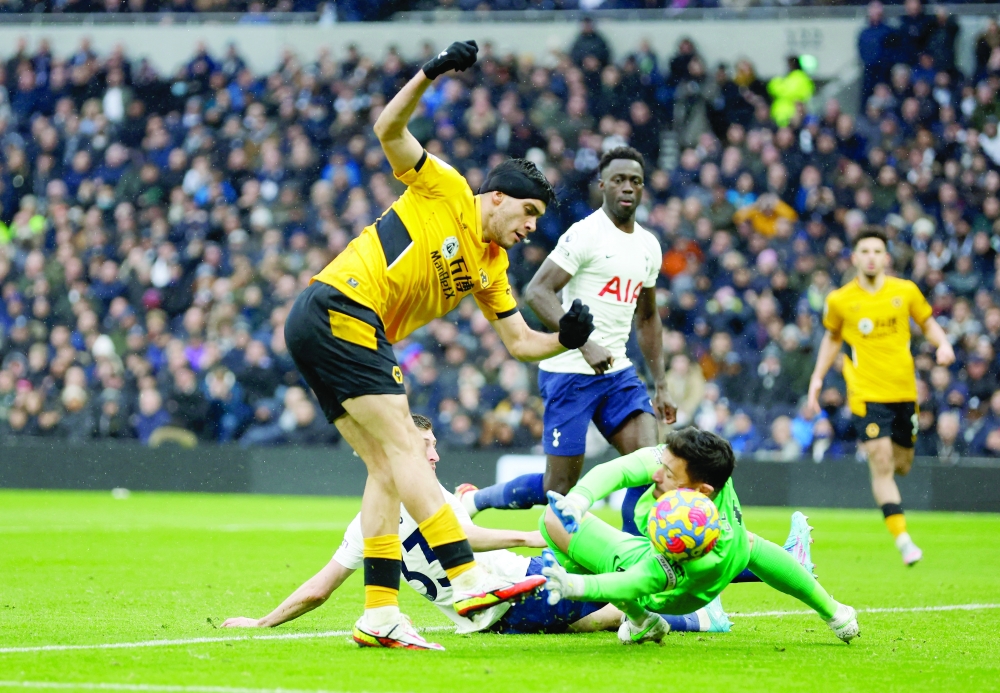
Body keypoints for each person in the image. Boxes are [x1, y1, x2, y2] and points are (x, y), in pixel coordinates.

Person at [282, 40, 597, 651]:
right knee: (405, 445)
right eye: (527, 212)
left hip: (323, 321)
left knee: (385, 467)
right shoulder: (445, 187)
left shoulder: (491, 266)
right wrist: (431, 71)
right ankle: (468, 579)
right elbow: (387, 128)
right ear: (497, 196)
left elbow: (518, 342)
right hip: (345, 305)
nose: (531, 227)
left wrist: (565, 337)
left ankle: (379, 613)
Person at [221, 416, 732, 638]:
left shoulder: (368, 520)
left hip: (494, 615)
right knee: (620, 583)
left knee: (594, 615)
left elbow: (321, 587)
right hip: (517, 589)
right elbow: (458, 538)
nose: (435, 456)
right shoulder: (418, 499)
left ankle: (685, 604)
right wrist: (529, 535)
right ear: (404, 451)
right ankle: (701, 612)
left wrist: (263, 622)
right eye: (427, 447)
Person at [458, 147, 677, 535]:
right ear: (602, 186)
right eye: (619, 180)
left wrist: (661, 383)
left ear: (643, 188)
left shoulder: (649, 246)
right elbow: (537, 291)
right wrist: (584, 343)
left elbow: (647, 318)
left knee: (650, 465)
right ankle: (476, 500)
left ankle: (633, 556)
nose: (628, 187)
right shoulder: (585, 234)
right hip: (569, 373)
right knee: (557, 487)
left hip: (618, 373)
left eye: (635, 181)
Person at [536, 428, 858, 645]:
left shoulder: (691, 551)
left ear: (700, 491)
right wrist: (579, 500)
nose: (656, 475)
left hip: (671, 594)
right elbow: (622, 468)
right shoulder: (713, 475)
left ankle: (643, 618)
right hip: (732, 548)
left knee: (552, 521)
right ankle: (834, 612)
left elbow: (632, 582)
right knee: (750, 544)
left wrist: (575, 586)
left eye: (668, 474)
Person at [805, 227, 955, 566]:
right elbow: (832, 338)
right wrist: (817, 378)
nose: (871, 257)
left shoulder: (906, 291)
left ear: (886, 258)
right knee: (881, 461)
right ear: (854, 258)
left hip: (903, 392)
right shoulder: (840, 300)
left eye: (876, 251)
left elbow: (927, 323)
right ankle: (904, 541)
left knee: (902, 464)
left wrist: (943, 344)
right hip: (866, 394)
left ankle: (900, 527)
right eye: (865, 251)